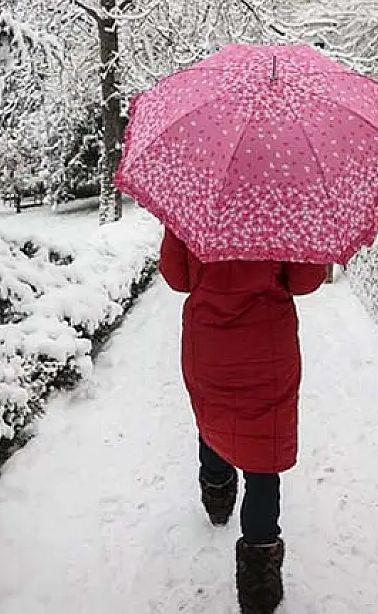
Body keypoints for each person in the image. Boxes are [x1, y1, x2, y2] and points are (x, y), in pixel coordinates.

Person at [158, 228, 328, 614]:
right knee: (264, 456)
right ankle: (259, 585)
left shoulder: (194, 205)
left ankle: (217, 494)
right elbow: (307, 281)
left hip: (209, 344)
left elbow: (176, 278)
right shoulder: (283, 206)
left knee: (212, 418)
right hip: (268, 346)